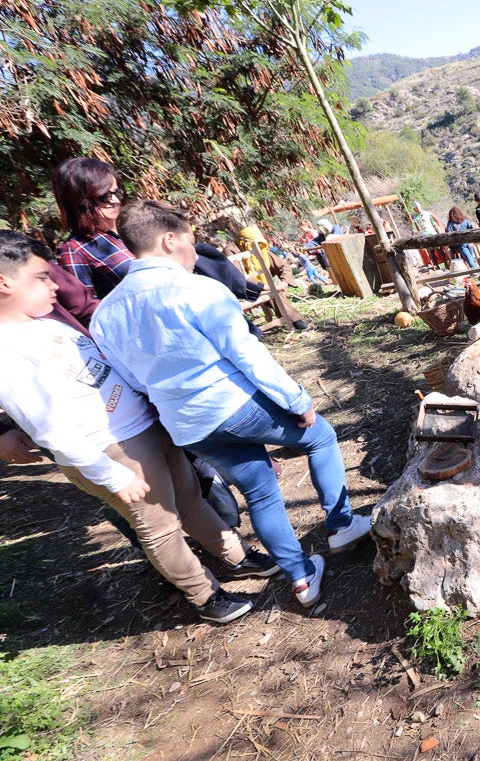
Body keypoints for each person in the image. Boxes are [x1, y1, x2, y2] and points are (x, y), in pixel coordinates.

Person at [92, 201, 374, 608]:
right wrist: (298, 400)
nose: (194, 253)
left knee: (260, 492)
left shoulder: (105, 314)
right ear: (169, 240)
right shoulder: (198, 290)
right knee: (322, 437)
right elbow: (249, 357)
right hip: (232, 403)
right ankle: (342, 525)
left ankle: (301, 577)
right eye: (191, 243)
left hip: (187, 424)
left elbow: (133, 380)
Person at [0, 230, 276, 624]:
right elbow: (48, 429)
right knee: (159, 526)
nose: (52, 285)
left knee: (190, 499)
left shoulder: (45, 324)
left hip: (143, 428)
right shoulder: (7, 351)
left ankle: (237, 556)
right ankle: (204, 595)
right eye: (40, 277)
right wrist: (109, 473)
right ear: (5, 282)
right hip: (110, 449)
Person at [53, 158, 135, 298]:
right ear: (82, 200)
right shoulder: (75, 249)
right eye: (104, 196)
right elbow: (87, 307)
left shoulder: (134, 223)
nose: (115, 200)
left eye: (116, 193)